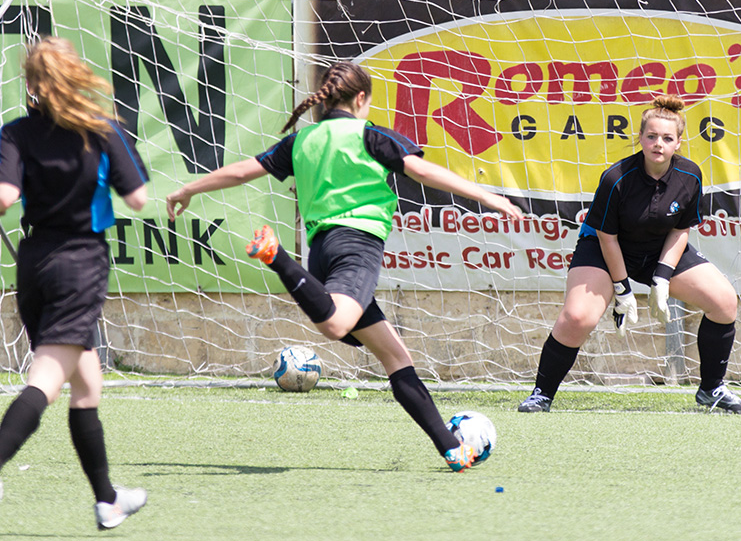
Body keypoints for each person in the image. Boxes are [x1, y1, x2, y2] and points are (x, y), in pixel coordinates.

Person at [165, 61, 523, 472]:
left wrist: (189, 188)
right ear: (360, 98)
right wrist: (489, 197)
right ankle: (276, 256)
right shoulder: (370, 135)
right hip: (356, 247)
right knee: (336, 325)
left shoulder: (302, 140)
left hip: (321, 253)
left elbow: (243, 171)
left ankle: (452, 448)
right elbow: (422, 171)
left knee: (396, 357)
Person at [0, 37, 150, 535]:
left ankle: (107, 501)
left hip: (34, 263)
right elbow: (137, 197)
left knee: (87, 384)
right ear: (77, 76)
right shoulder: (103, 129)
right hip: (80, 263)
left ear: (32, 85)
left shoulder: (16, 132)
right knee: (47, 380)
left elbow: (2, 197)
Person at [518, 95, 741, 414]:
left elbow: (680, 230)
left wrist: (662, 279)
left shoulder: (691, 175)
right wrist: (622, 289)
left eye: (667, 138)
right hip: (604, 249)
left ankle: (711, 389)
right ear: (640, 138)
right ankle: (541, 394)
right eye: (651, 136)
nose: (658, 144)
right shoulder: (616, 178)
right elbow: (607, 236)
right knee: (578, 318)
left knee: (724, 302)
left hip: (657, 250)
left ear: (679, 143)